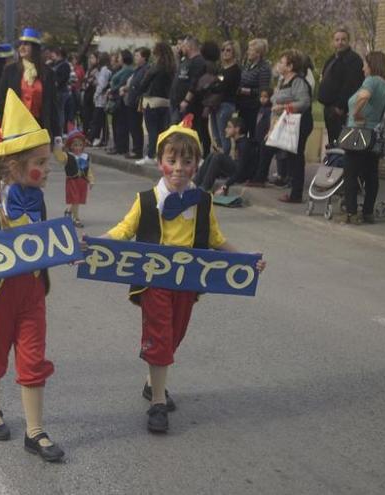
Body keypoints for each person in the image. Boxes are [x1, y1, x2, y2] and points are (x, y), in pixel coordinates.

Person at [101, 118, 266, 433]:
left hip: (188, 284)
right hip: (154, 281)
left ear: (196, 165)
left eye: (187, 161)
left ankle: (153, 382)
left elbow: (216, 239)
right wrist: (95, 245)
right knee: (161, 335)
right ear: (161, 162)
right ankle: (158, 404)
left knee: (175, 334)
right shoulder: (147, 200)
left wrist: (245, 260)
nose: (178, 168)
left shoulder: (203, 201)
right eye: (171, 160)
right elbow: (124, 230)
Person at [0, 88, 65, 462]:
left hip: (31, 293)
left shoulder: (37, 199)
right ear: (12, 167)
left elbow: (45, 243)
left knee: (34, 358)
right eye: (40, 162)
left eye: (47, 161)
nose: (48, 169)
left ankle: (35, 431)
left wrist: (67, 249)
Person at [342, 51, 385, 225]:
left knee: (350, 174)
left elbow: (364, 97)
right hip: (374, 137)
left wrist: (356, 113)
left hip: (358, 133)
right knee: (371, 175)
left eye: (365, 64)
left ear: (372, 64)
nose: (363, 67)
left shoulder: (371, 81)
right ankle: (367, 212)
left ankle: (351, 212)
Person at [256, 49, 313, 203]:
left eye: (282, 62)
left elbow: (304, 102)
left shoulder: (298, 82)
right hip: (283, 123)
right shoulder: (282, 82)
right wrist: (272, 127)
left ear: (290, 66)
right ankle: (260, 177)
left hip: (298, 124)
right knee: (267, 146)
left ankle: (296, 193)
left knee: (296, 156)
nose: (279, 65)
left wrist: (284, 107)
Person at [0, 28, 60, 140]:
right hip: (15, 129)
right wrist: (1, 127)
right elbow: (1, 101)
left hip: (38, 128)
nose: (22, 47)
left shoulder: (48, 73)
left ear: (35, 48)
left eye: (26, 44)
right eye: (20, 44)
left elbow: (53, 106)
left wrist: (57, 135)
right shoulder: (10, 71)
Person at [318, 28, 364, 145]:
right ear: (333, 42)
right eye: (337, 40)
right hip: (328, 108)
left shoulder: (354, 60)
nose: (340, 42)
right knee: (332, 142)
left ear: (348, 41)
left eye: (343, 39)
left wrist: (341, 106)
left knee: (341, 142)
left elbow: (351, 85)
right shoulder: (332, 58)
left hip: (340, 110)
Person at [194, 117, 256, 194]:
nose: (226, 129)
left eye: (229, 127)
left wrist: (225, 186)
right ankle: (195, 183)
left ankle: (204, 188)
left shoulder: (244, 145)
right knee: (213, 154)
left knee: (218, 157)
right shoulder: (239, 142)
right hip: (236, 169)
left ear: (237, 129)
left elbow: (240, 171)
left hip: (242, 175)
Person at [138, 42, 175, 165]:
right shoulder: (172, 66)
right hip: (166, 101)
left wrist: (140, 91)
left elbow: (144, 83)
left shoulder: (156, 67)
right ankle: (161, 155)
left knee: (152, 129)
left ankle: (150, 155)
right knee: (162, 130)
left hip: (152, 101)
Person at [171, 37, 209, 155]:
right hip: (177, 102)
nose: (181, 48)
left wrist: (187, 100)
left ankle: (192, 155)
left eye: (183, 46)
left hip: (191, 105)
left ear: (190, 46)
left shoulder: (199, 62)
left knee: (191, 131)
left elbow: (195, 83)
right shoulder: (185, 61)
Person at [55, 128, 93, 227]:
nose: (78, 148)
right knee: (75, 200)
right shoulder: (68, 156)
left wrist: (91, 180)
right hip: (72, 181)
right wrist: (58, 147)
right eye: (75, 145)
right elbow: (59, 158)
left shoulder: (85, 156)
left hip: (82, 182)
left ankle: (68, 211)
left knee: (78, 200)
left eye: (80, 145)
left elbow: (88, 170)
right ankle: (76, 218)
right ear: (70, 146)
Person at [237, 39, 272, 141]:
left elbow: (263, 90)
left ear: (258, 53)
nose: (248, 52)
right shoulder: (247, 65)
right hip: (243, 105)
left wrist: (245, 90)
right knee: (241, 133)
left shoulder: (264, 68)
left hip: (254, 107)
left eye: (251, 50)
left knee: (253, 135)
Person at [211, 41, 241, 154]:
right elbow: (215, 83)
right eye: (223, 50)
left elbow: (223, 86)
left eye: (228, 50)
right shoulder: (222, 69)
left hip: (226, 104)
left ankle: (224, 160)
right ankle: (219, 157)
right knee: (216, 135)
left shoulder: (235, 70)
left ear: (234, 53)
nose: (225, 52)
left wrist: (216, 84)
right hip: (215, 104)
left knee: (224, 135)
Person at [122, 47, 150, 160]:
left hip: (136, 101)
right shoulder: (137, 69)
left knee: (136, 126)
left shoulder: (145, 69)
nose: (135, 58)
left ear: (144, 57)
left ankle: (137, 150)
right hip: (131, 100)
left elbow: (140, 85)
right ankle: (135, 148)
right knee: (133, 126)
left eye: (138, 56)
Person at [88, 52, 112, 147]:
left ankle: (93, 138)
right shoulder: (104, 70)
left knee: (98, 119)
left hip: (101, 99)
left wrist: (96, 95)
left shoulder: (104, 70)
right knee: (101, 120)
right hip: (101, 99)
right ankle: (101, 138)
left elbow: (101, 84)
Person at [51, 47, 72, 133]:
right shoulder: (55, 64)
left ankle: (60, 130)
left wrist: (57, 83)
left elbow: (63, 78)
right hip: (56, 91)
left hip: (61, 91)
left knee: (60, 111)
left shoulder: (64, 65)